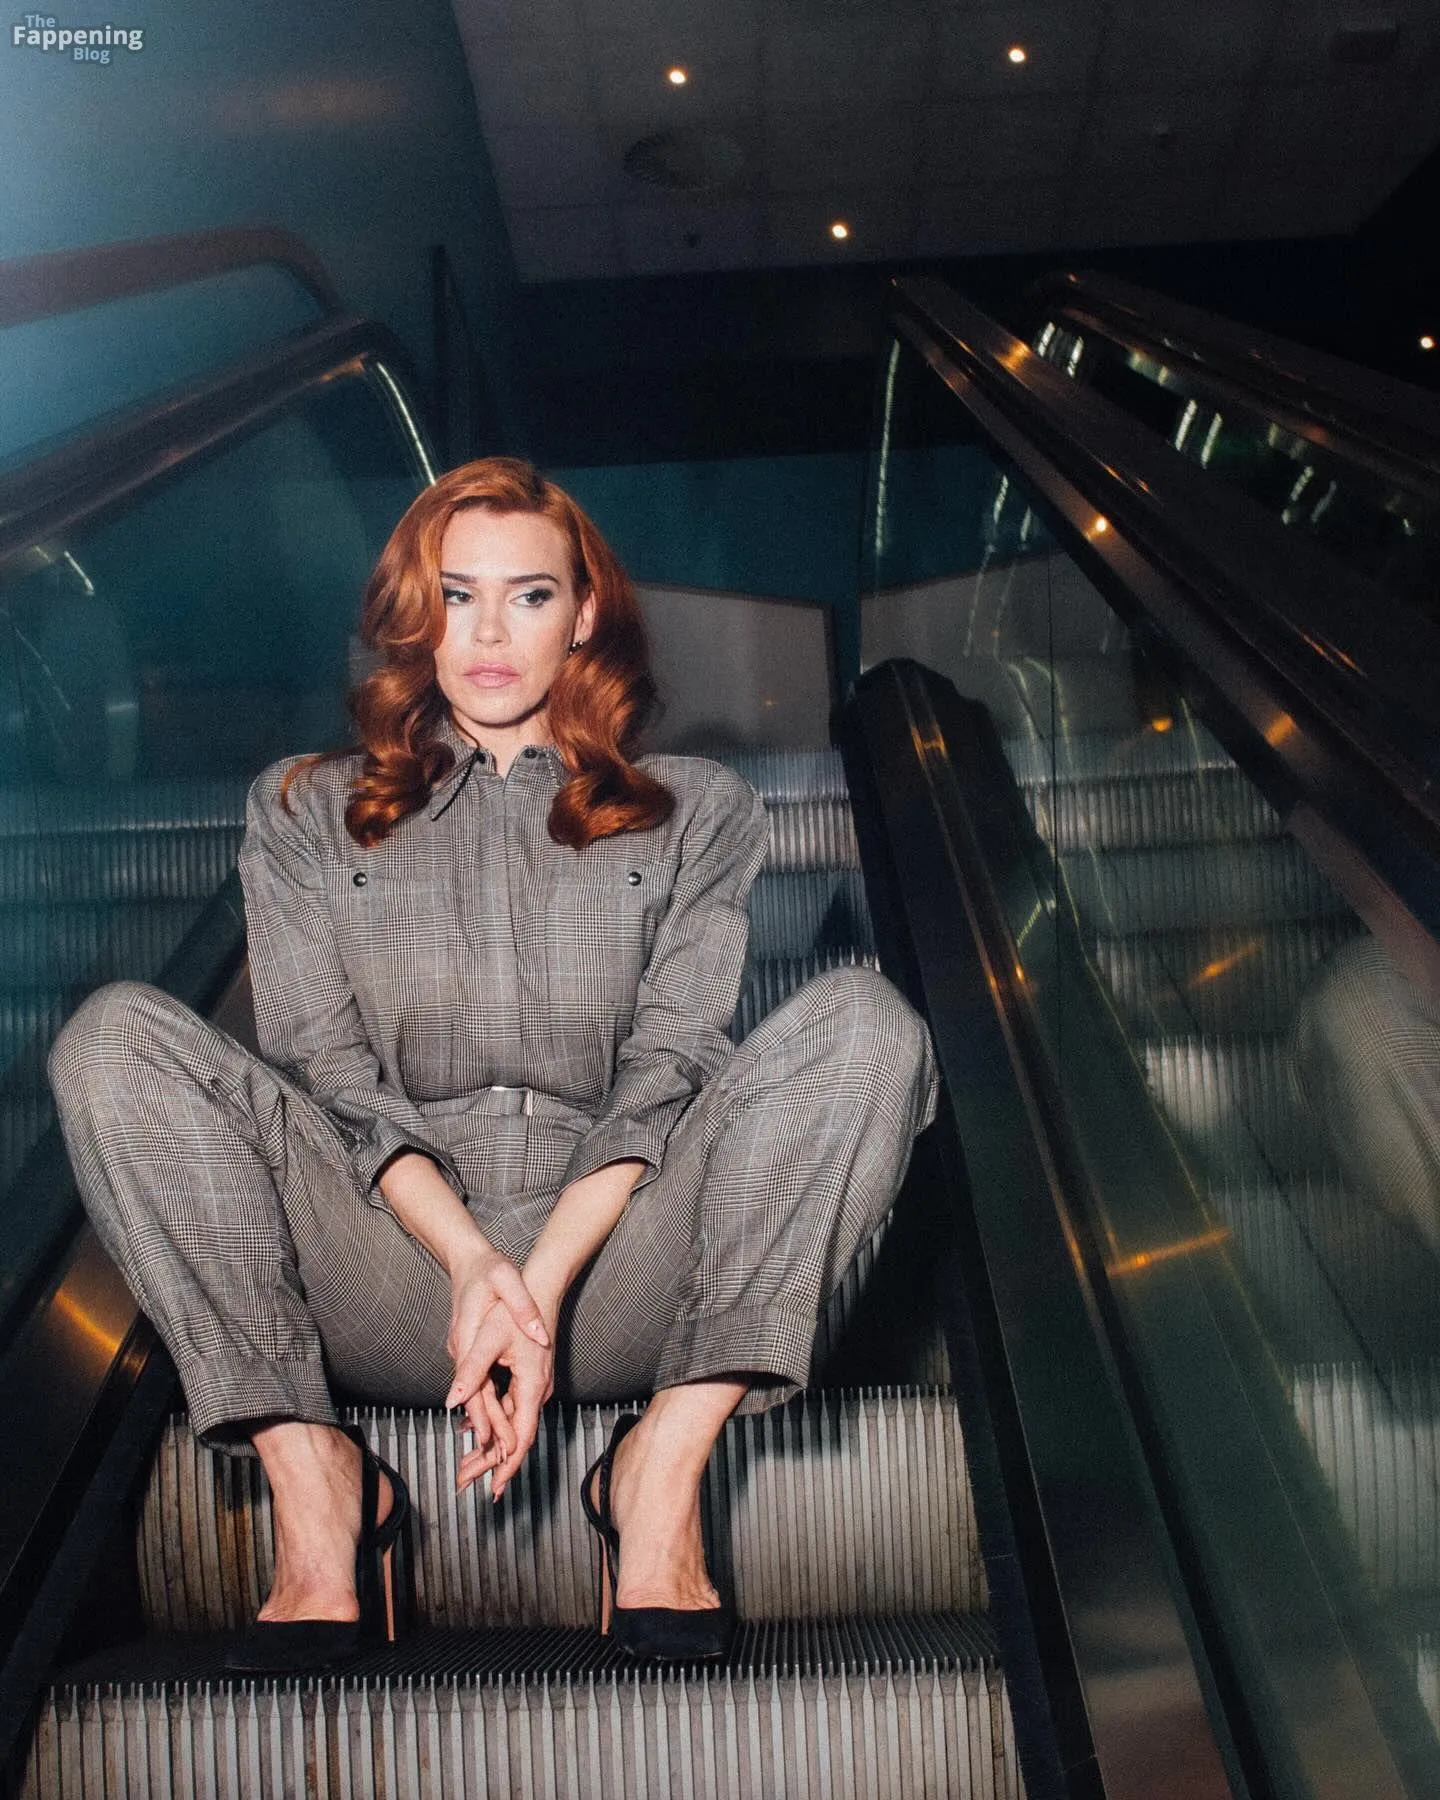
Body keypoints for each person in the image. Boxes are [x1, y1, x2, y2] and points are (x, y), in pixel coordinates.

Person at [48, 457, 938, 1668]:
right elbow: (326, 1069)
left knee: (867, 1024)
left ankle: (658, 1468)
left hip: (623, 1277)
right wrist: (473, 1263)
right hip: (389, 1273)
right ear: (419, 614)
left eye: (529, 596)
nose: (487, 634)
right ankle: (315, 1482)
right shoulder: (304, 810)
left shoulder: (696, 808)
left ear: (583, 614)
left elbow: (670, 1067)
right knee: (112, 1037)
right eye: (457, 595)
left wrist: (542, 1283)